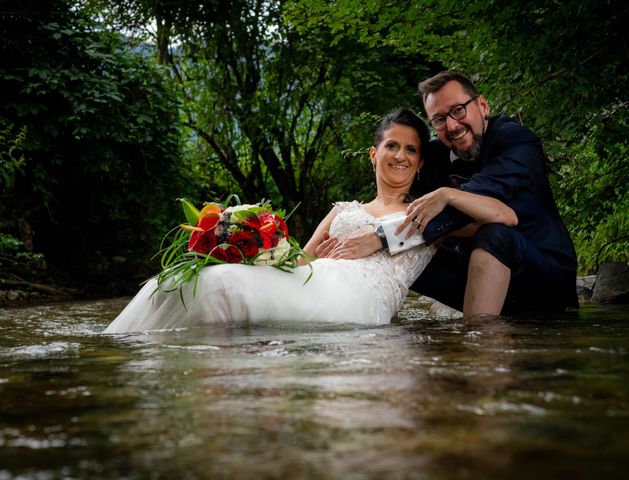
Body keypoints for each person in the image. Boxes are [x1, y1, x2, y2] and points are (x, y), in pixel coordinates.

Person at [103, 107, 516, 333]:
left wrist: (445, 194)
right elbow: (301, 258)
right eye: (392, 145)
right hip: (314, 278)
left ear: (420, 162)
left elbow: (505, 216)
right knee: (184, 278)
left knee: (218, 289)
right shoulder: (341, 210)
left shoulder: (426, 211)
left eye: (410, 150)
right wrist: (250, 244)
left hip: (361, 299)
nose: (400, 156)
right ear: (374, 154)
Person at [319, 71, 579, 318]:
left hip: (540, 278)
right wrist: (353, 237)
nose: (452, 125)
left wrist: (383, 236)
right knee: (404, 254)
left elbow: (481, 202)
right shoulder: (433, 157)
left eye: (458, 110)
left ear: (483, 106)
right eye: (440, 120)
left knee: (494, 232)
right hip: (470, 274)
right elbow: (408, 206)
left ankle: (476, 340)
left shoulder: (516, 142)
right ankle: (374, 327)